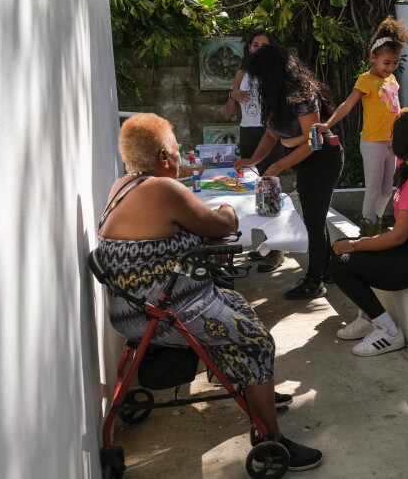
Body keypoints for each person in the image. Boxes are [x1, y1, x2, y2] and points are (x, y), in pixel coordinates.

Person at [96, 114, 322, 471]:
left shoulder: (123, 185)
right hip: (162, 311)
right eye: (176, 153)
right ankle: (271, 441)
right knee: (256, 340)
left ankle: (255, 386)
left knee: (237, 303)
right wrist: (228, 209)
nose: (182, 162)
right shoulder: (163, 189)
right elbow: (220, 225)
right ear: (165, 158)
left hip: (133, 307)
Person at [330, 108, 408, 356]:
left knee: (342, 264)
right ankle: (367, 317)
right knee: (347, 255)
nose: (390, 139)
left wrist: (354, 244)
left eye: (394, 134)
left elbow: (397, 237)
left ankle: (389, 332)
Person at [234, 45, 343, 300]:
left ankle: (315, 281)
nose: (257, 81)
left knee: (314, 223)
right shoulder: (275, 94)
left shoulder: (302, 94)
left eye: (259, 75)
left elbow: (314, 142)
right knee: (314, 218)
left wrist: (278, 165)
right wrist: (253, 159)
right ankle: (325, 270)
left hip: (323, 158)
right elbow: (272, 134)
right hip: (306, 159)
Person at [314, 16, 408, 237]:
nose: (390, 67)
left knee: (386, 191)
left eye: (395, 62)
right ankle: (367, 232)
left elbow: (395, 109)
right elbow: (347, 105)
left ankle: (375, 225)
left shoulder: (391, 80)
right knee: (373, 190)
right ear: (373, 57)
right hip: (372, 142)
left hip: (393, 142)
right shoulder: (365, 80)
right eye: (386, 63)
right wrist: (328, 123)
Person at [225, 28, 287, 273]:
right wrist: (233, 94)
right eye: (255, 45)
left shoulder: (276, 74)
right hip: (248, 134)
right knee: (252, 193)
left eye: (264, 46)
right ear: (248, 48)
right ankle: (265, 246)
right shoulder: (242, 72)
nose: (259, 49)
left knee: (270, 190)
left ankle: (276, 250)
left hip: (270, 134)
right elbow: (230, 112)